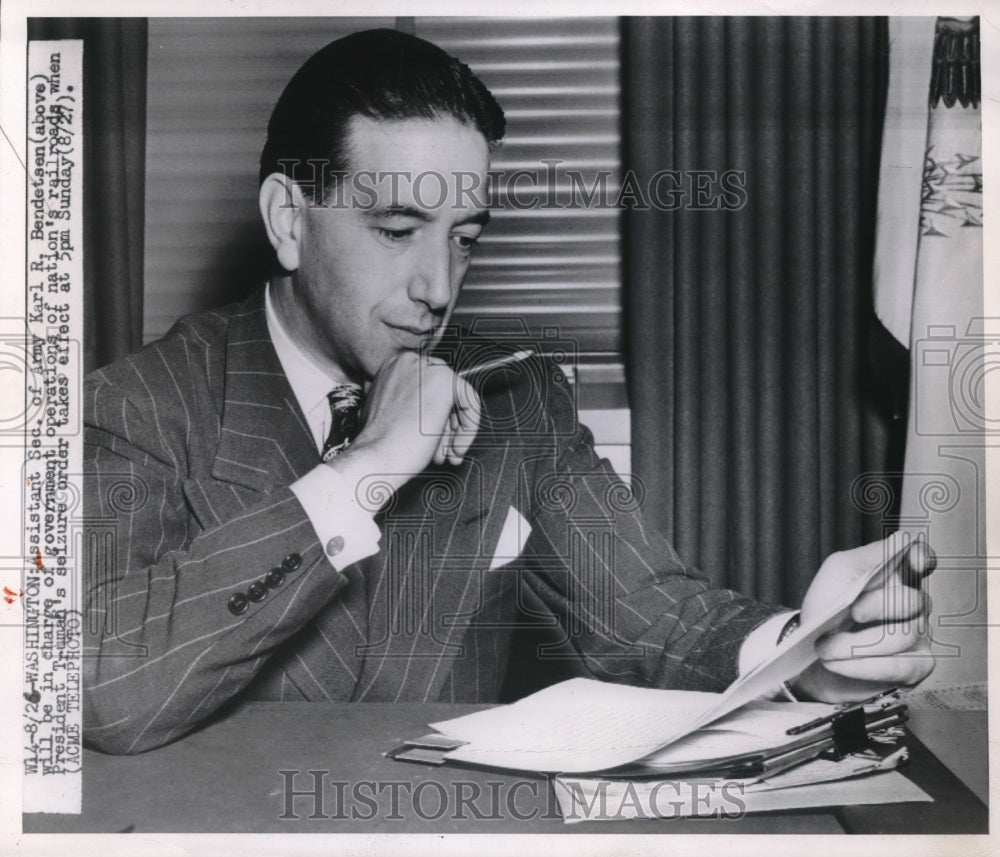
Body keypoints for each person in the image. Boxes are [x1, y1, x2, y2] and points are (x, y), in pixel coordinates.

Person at [82, 28, 934, 755]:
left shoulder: (516, 397)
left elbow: (656, 612)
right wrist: (362, 472)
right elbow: (103, 685)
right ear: (288, 220)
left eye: (464, 238)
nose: (437, 287)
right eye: (397, 229)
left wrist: (804, 652)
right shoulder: (143, 406)